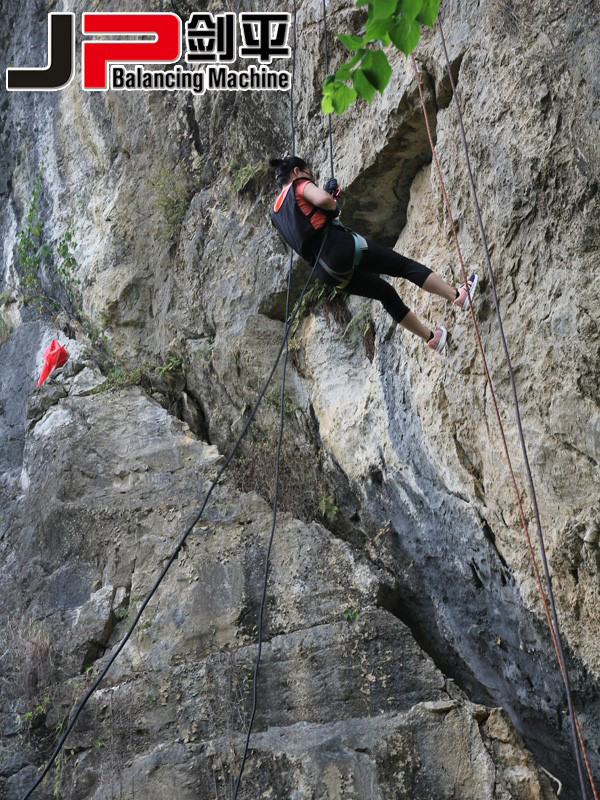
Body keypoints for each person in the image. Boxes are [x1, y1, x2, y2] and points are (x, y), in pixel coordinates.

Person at [269, 155, 478, 353]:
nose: (309, 179)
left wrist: (326, 205)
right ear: (297, 171)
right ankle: (458, 296)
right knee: (403, 267)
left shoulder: (276, 214)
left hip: (325, 271)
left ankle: (432, 338)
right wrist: (331, 203)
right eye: (308, 174)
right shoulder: (299, 185)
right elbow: (323, 201)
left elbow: (307, 225)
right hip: (339, 247)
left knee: (385, 294)